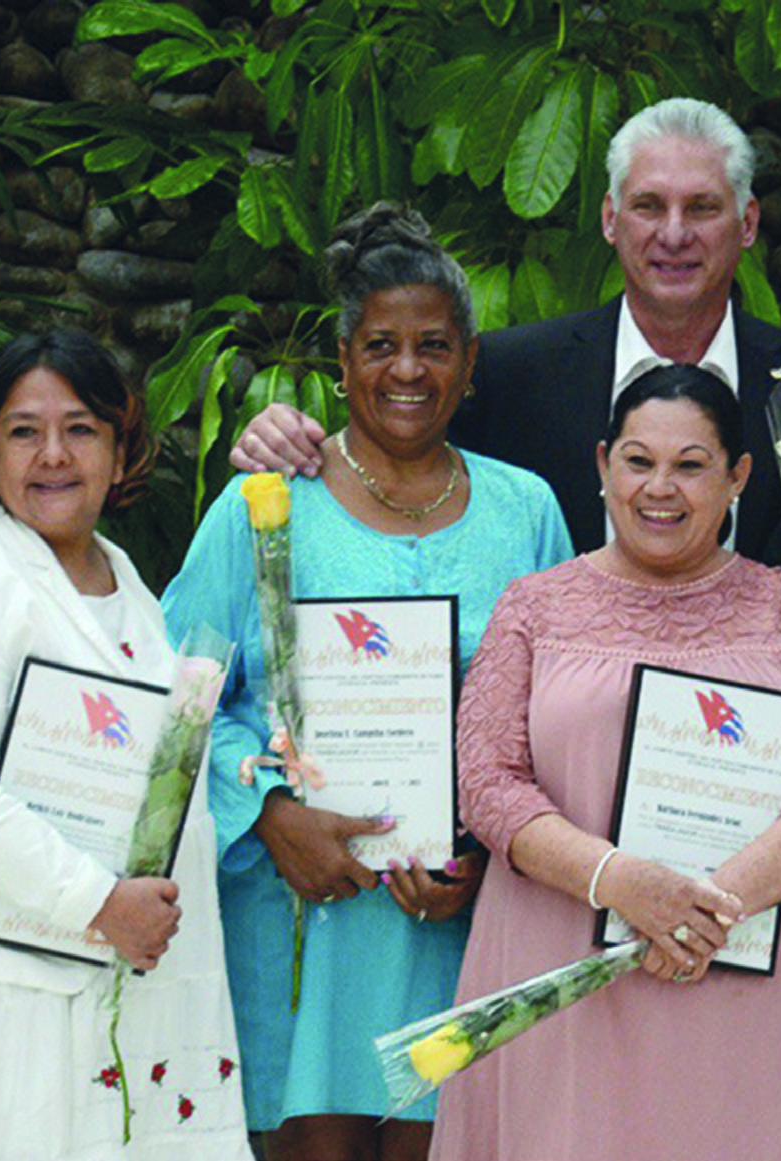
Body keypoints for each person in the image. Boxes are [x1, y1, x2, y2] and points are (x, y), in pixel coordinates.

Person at [161, 205, 573, 1161]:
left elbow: (556, 718)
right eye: (380, 344)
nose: (407, 369)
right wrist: (267, 812)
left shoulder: (526, 511)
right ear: (341, 361)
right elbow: (177, 696)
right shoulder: (263, 507)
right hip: (298, 923)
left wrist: (482, 845)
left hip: (457, 929)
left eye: (434, 345)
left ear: (471, 363)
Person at [230, 97, 781, 555]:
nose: (673, 234)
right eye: (649, 206)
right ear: (609, 219)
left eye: (701, 208)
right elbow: (398, 443)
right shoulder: (511, 373)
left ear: (747, 224)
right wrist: (289, 436)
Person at [433, 365, 781, 1161]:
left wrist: (709, 905)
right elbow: (486, 783)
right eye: (638, 461)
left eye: (690, 464)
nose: (659, 488)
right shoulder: (533, 605)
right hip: (564, 963)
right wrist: (616, 881)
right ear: (603, 464)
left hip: (734, 969)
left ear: (739, 476)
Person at [0, 330, 248, 1158]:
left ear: (122, 446)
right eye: (23, 431)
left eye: (81, 429)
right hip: (23, 995)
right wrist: (99, 903)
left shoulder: (124, 578)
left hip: (150, 990)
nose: (52, 455)